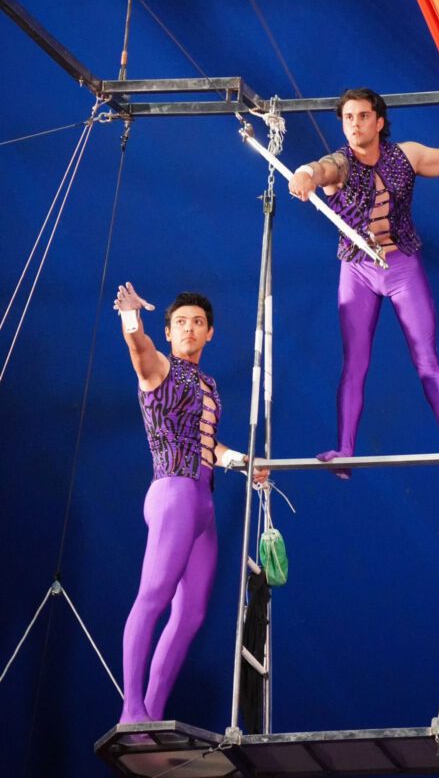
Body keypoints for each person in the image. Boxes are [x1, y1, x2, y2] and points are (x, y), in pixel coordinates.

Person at [288, 87, 439, 475]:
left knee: (426, 357)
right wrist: (304, 174)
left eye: (362, 116)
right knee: (355, 363)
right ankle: (345, 449)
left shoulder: (406, 155)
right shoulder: (340, 163)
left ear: (379, 122)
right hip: (358, 271)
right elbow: (319, 168)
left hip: (401, 266)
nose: (355, 124)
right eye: (348, 118)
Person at [113, 281, 268, 725]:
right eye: (180, 323)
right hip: (173, 491)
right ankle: (131, 711)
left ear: (210, 333)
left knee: (192, 614)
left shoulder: (209, 384)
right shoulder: (159, 367)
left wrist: (242, 462)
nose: (189, 329)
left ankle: (153, 717)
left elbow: (211, 445)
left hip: (202, 502)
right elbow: (138, 349)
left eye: (197, 323)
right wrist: (130, 318)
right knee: (153, 597)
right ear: (168, 332)